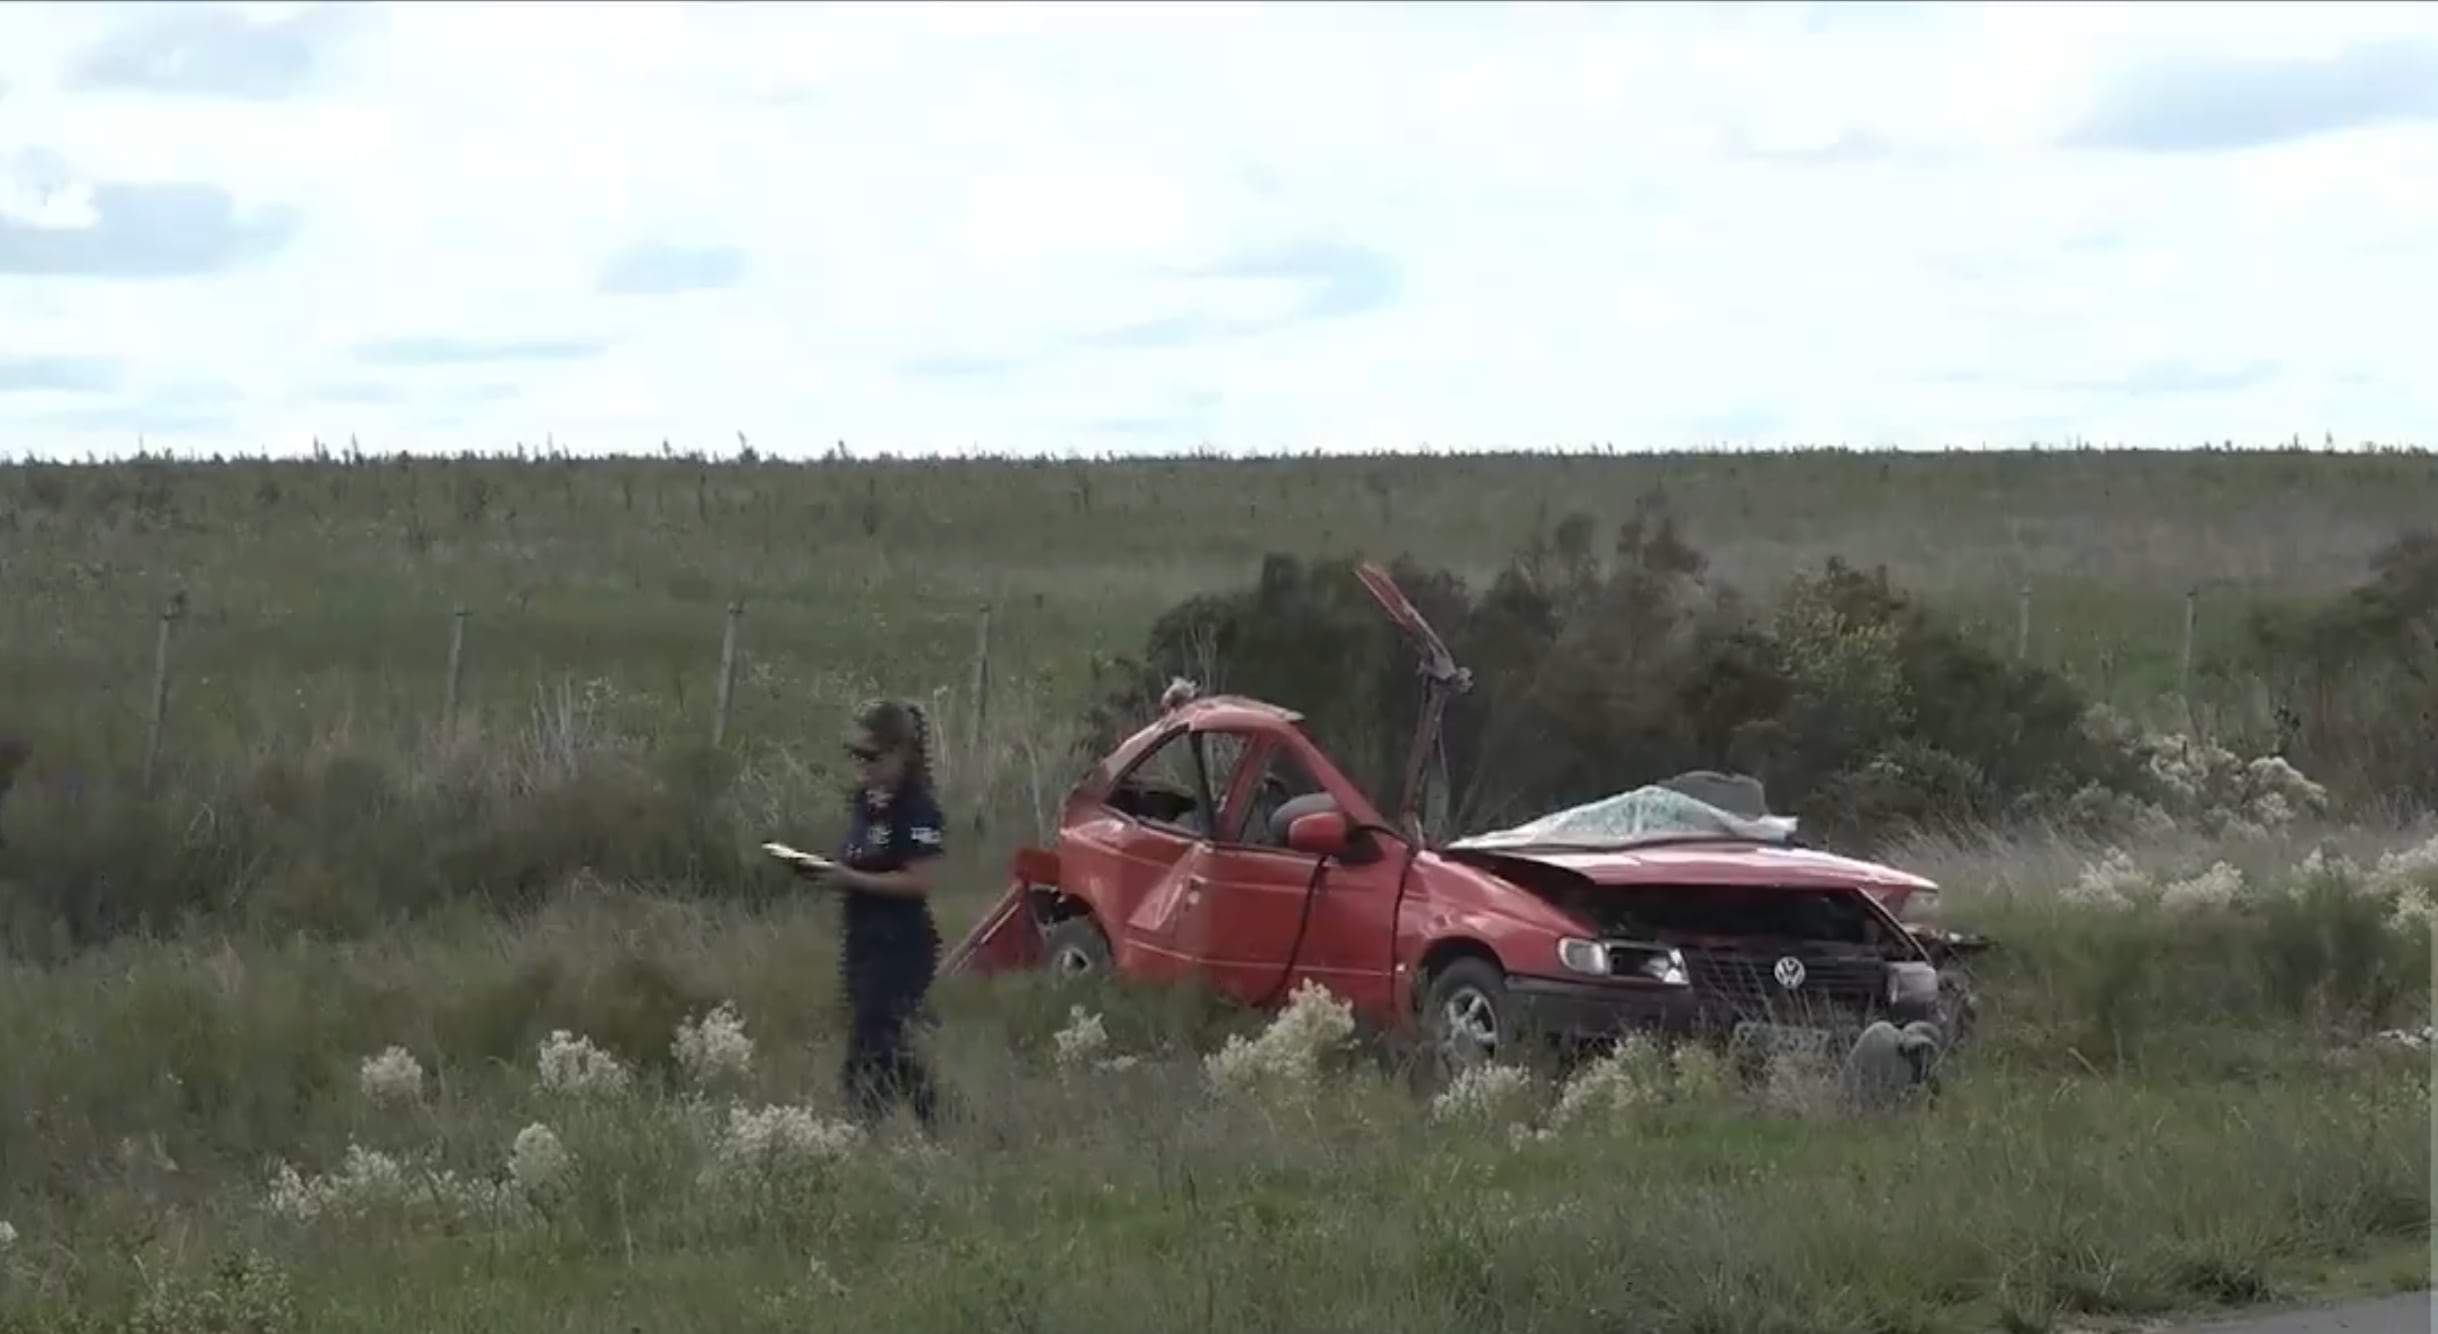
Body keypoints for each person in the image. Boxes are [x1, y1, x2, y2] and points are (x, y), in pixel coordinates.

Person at [794, 698, 948, 1130]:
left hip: (901, 946)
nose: (863, 766)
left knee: (869, 1051)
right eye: (856, 756)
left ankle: (863, 1133)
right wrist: (824, 871)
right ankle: (941, 1123)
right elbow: (859, 858)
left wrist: (850, 880)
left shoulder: (917, 809)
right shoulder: (865, 802)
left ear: (900, 753)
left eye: (871, 757)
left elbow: (920, 880)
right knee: (886, 1046)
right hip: (861, 940)